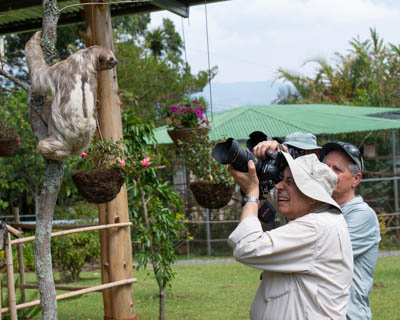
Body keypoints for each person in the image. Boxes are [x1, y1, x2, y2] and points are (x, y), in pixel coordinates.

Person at [228, 152, 353, 320]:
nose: (279, 186)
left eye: (290, 182)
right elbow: (272, 194)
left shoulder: (316, 227)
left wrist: (251, 194)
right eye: (282, 179)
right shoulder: (316, 216)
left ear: (312, 196)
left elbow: (247, 247)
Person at [321, 141, 381, 320]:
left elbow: (323, 256)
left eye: (337, 169)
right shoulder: (320, 209)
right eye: (325, 167)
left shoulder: (362, 215)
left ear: (356, 179)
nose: (328, 173)